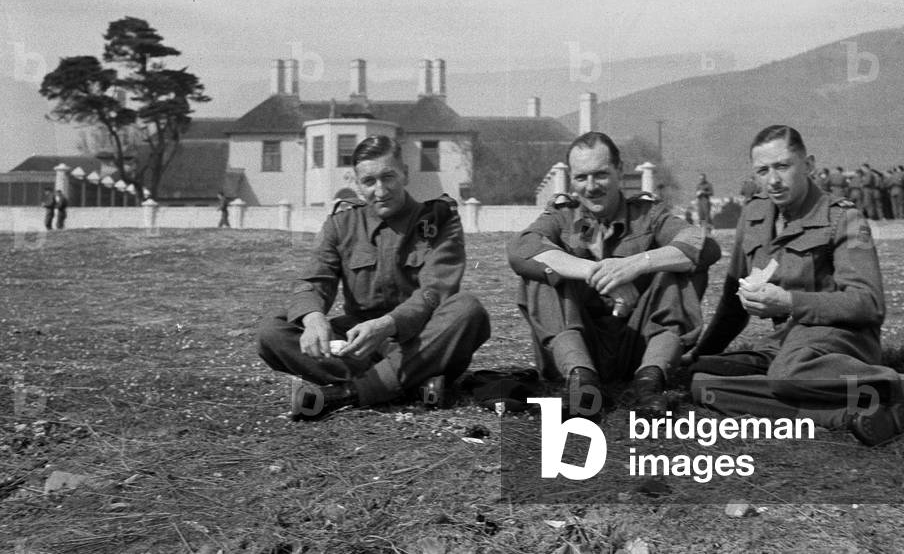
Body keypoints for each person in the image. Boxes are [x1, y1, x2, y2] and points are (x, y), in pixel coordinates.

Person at [683, 125, 904, 446]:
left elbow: (868, 304)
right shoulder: (753, 215)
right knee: (700, 382)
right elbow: (731, 303)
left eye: (783, 166)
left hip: (841, 340)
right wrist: (698, 354)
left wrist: (788, 301)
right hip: (785, 345)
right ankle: (859, 410)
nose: (773, 180)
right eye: (763, 170)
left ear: (808, 165)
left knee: (787, 374)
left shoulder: (843, 218)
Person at [257, 136, 490, 419]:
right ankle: (412, 383)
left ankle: (347, 393)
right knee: (272, 332)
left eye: (388, 177)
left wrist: (388, 325)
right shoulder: (341, 224)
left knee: (467, 310)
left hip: (422, 338)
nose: (380, 190)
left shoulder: (439, 220)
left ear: (405, 173)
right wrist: (313, 318)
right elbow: (315, 280)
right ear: (357, 184)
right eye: (369, 181)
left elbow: (435, 291)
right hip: (360, 343)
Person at [507, 132, 721, 416]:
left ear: (620, 171)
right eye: (581, 178)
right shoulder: (562, 217)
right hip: (579, 346)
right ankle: (583, 383)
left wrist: (635, 264)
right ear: (572, 179)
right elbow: (521, 249)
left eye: (601, 175)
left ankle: (650, 385)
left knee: (679, 268)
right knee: (542, 274)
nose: (591, 187)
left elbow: (704, 247)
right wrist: (597, 273)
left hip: (639, 347)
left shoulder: (648, 215)